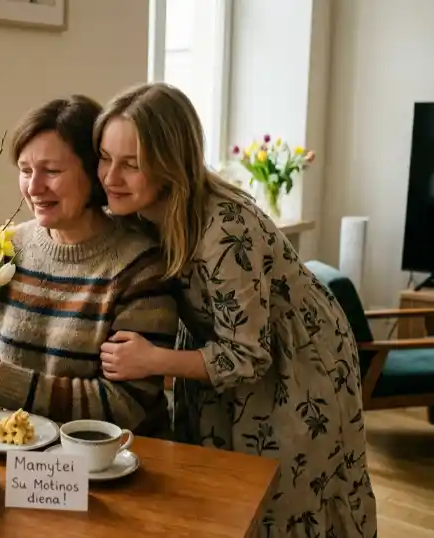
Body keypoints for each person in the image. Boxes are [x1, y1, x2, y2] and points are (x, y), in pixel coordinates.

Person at [93, 82, 376, 536]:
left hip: (295, 366)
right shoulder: (139, 211)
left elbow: (248, 356)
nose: (110, 176)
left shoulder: (224, 231)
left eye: (132, 164)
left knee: (284, 507)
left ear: (170, 165)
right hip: (225, 349)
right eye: (105, 157)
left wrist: (154, 360)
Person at [0, 95, 179, 435]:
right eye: (25, 171)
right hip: (21, 453)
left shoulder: (140, 267)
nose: (34, 187)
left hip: (116, 466)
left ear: (94, 173)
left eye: (51, 171)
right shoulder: (9, 246)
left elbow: (126, 404)